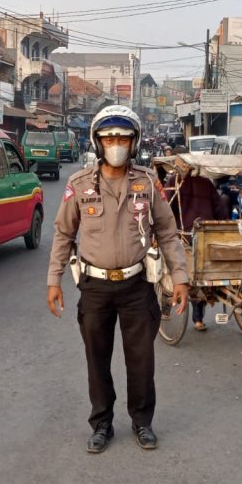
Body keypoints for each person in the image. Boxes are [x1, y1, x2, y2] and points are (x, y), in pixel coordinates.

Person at [47, 105, 189, 454]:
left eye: (123, 138)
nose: (116, 144)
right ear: (97, 142)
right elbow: (64, 233)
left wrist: (180, 277)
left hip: (136, 286)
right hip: (95, 288)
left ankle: (142, 422)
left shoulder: (146, 182)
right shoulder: (78, 184)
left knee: (141, 359)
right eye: (109, 138)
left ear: (134, 142)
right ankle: (102, 424)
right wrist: (54, 280)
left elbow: (168, 233)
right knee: (97, 358)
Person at [169, 147, 228, 332]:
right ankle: (198, 320)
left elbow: (164, 213)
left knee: (185, 274)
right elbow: (220, 211)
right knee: (201, 275)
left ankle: (166, 306)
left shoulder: (172, 182)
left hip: (184, 237)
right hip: (206, 236)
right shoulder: (205, 183)